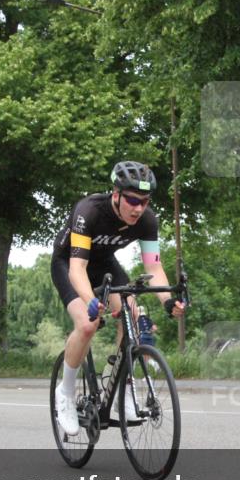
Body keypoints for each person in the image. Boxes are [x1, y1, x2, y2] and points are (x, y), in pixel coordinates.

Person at [50, 161, 186, 436]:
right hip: (70, 264)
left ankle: (122, 390)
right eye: (133, 200)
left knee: (132, 314)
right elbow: (78, 269)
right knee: (87, 324)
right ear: (116, 194)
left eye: (144, 201)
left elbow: (154, 267)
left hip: (105, 265)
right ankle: (64, 393)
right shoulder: (88, 211)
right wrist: (90, 300)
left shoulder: (147, 220)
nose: (138, 208)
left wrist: (167, 301)